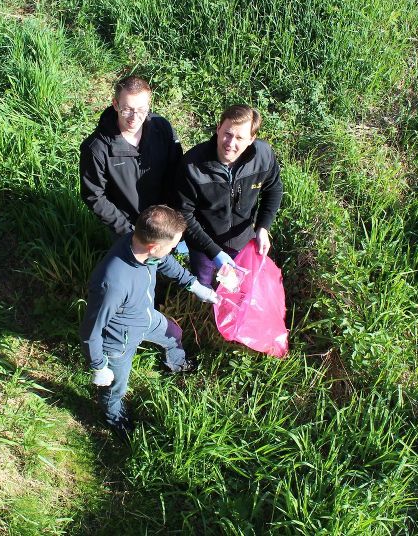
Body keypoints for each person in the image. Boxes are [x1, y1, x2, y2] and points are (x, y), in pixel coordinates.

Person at [79, 205, 218, 435]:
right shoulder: (112, 283)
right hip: (119, 341)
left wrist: (194, 285)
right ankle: (115, 417)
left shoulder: (142, 247)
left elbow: (164, 262)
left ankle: (177, 363)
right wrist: (98, 366)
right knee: (116, 386)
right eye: (173, 246)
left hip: (146, 316)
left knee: (174, 334)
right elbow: (90, 331)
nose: (175, 249)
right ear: (154, 247)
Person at [176, 104, 283, 287]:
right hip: (203, 243)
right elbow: (183, 214)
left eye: (240, 137)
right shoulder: (192, 166)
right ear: (218, 128)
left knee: (236, 285)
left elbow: (273, 189)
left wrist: (263, 227)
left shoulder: (264, 156)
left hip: (243, 241)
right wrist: (213, 251)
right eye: (227, 133)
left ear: (251, 139)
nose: (230, 143)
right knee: (204, 282)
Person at [80, 76, 183, 239]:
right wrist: (128, 232)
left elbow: (177, 170)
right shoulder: (96, 148)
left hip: (165, 219)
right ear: (115, 104)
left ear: (149, 105)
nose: (134, 118)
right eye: (127, 109)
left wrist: (172, 215)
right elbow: (94, 195)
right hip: (126, 225)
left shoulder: (163, 128)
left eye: (141, 109)